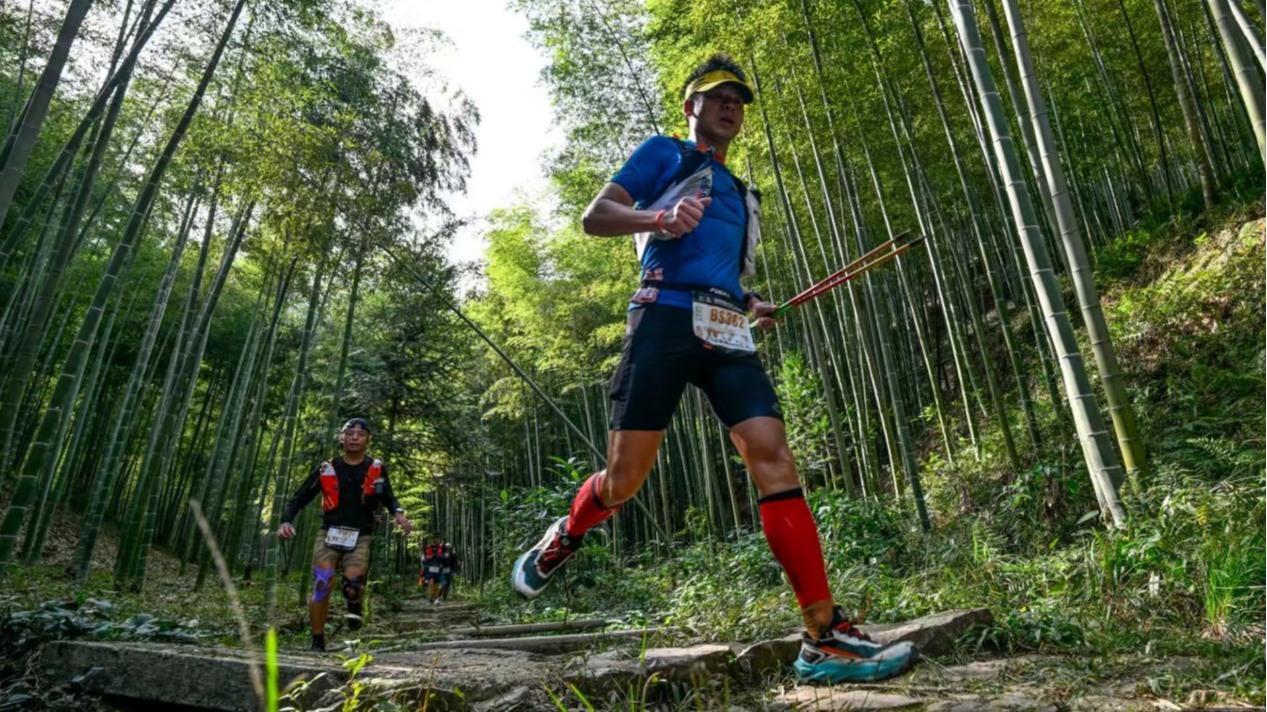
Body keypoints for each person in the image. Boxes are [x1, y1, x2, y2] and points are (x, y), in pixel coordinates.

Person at [509, 54, 919, 684]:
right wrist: (658, 218)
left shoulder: (740, 191)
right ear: (690, 106)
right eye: (717, 95)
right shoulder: (666, 154)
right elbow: (596, 217)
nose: (731, 106)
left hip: (726, 329)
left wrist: (752, 302)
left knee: (773, 456)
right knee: (624, 481)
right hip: (664, 319)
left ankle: (824, 635)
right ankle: (568, 531)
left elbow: (722, 270)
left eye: (739, 100)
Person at [279, 418, 412, 652]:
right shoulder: (327, 468)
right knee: (322, 581)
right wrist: (286, 521)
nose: (354, 437)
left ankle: (354, 606)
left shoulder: (376, 468)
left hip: (361, 534)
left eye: (360, 434)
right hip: (329, 533)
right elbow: (299, 497)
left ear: (368, 439)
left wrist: (398, 514)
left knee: (353, 585)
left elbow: (388, 496)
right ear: (341, 438)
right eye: (349, 433)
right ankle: (317, 640)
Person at [420, 533, 445, 606]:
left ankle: (435, 599)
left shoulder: (441, 547)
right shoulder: (426, 548)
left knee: (437, 584)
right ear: (431, 539)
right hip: (429, 568)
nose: (435, 540)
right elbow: (424, 559)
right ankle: (429, 599)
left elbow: (444, 558)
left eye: (436, 538)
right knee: (431, 583)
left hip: (438, 568)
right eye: (433, 538)